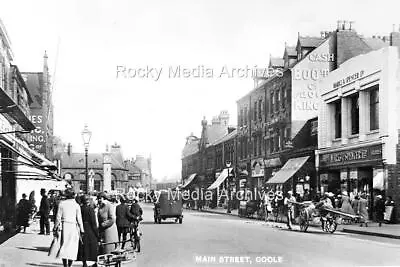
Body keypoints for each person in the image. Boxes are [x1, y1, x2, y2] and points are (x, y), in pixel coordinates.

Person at [53, 188, 84, 267]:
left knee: (63, 246)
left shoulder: (62, 204)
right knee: (72, 247)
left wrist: (55, 227)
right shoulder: (76, 205)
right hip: (73, 227)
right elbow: (79, 219)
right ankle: (70, 265)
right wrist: (82, 230)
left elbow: (58, 217)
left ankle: (65, 265)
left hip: (64, 227)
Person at [77, 195, 98, 267]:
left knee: (83, 246)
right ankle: (93, 262)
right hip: (89, 228)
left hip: (81, 228)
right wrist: (97, 234)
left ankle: (84, 262)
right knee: (92, 246)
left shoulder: (79, 208)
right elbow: (93, 223)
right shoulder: (90, 209)